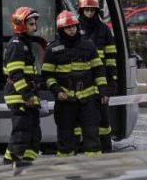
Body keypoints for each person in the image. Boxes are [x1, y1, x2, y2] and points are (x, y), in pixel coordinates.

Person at [42, 10, 109, 156]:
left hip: (88, 99)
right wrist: (57, 91)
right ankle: (67, 171)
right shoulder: (53, 49)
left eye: (74, 26)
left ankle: (94, 171)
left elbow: (99, 70)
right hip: (65, 101)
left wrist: (103, 91)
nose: (72, 30)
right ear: (61, 29)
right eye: (68, 27)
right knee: (66, 140)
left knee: (92, 137)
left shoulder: (88, 46)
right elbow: (47, 75)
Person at [3, 6, 44, 167]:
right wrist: (27, 95)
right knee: (21, 136)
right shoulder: (17, 44)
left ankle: (25, 167)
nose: (35, 27)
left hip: (27, 96)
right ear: (21, 24)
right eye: (31, 24)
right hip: (19, 97)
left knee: (34, 137)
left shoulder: (24, 44)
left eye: (35, 24)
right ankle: (8, 167)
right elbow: (16, 73)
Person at [78, 0, 117, 152]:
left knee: (103, 119)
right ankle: (83, 148)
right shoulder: (75, 28)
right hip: (81, 81)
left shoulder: (104, 30)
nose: (89, 13)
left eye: (92, 10)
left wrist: (112, 79)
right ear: (81, 11)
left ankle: (106, 149)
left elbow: (111, 57)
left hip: (100, 81)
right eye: (86, 10)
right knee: (80, 118)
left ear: (96, 11)